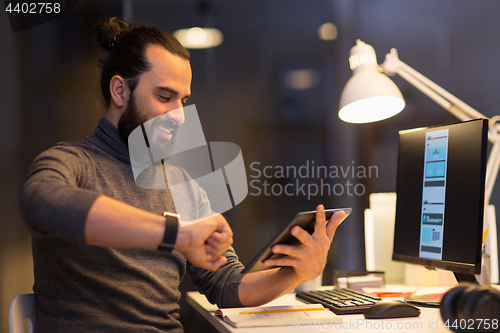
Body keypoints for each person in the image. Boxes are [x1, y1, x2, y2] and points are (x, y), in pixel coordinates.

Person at [20, 17, 346, 333]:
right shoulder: (72, 162)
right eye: (164, 97)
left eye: (184, 100)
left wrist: (297, 272)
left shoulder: (182, 186)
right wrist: (174, 234)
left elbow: (227, 286)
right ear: (120, 91)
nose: (180, 116)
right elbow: (42, 203)